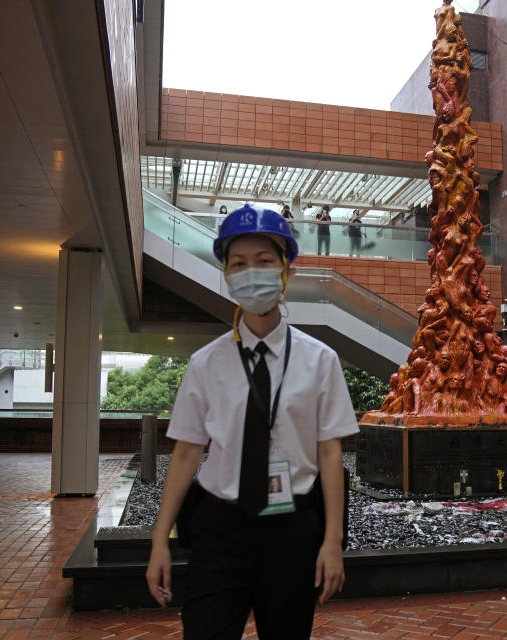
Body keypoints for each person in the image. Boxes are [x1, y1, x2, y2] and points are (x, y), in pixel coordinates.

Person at [145, 203, 358, 639]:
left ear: (286, 272)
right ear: (225, 275)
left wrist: (333, 542)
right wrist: (158, 541)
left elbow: (330, 452)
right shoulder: (206, 364)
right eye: (239, 264)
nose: (251, 273)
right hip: (220, 530)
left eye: (264, 262)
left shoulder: (321, 361)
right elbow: (186, 453)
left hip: (292, 531)